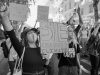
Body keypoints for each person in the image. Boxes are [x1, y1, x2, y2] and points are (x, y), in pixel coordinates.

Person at [0, 5, 49, 75]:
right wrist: (4, 16)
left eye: (35, 32)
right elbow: (12, 35)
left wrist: (47, 60)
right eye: (30, 33)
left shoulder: (42, 49)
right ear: (25, 37)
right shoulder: (21, 49)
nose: (33, 34)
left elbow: (44, 66)